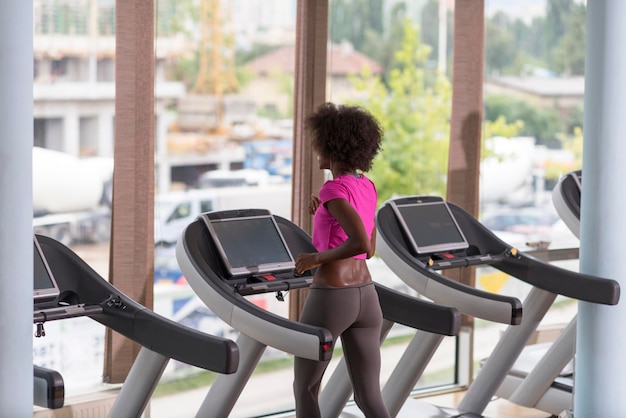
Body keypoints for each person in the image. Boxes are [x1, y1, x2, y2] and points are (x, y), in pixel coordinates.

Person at [293, 102, 390, 418]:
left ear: (331, 145)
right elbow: (368, 249)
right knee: (369, 397)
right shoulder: (365, 186)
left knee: (306, 388)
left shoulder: (333, 188)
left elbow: (359, 241)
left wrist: (313, 259)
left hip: (333, 296)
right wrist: (323, 209)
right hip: (366, 295)